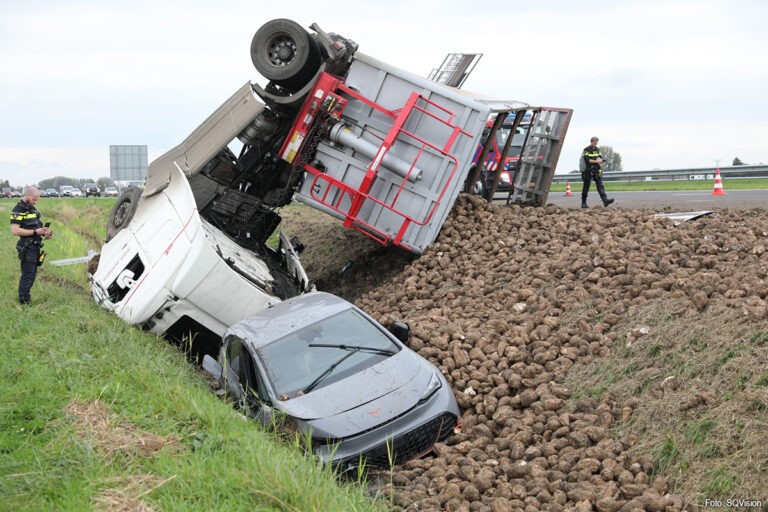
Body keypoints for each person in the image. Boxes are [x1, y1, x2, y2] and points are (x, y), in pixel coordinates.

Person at [10, 187, 53, 305]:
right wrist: (35, 232)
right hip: (26, 247)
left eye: (36, 200)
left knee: (32, 275)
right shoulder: (18, 210)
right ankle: (23, 302)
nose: (35, 202)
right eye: (34, 199)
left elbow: (36, 227)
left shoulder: (32, 210)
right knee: (27, 275)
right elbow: (15, 231)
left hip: (35, 247)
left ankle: (26, 298)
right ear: (28, 195)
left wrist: (45, 233)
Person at [581, 137, 614, 208]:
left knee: (600, 185)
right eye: (595, 142)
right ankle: (583, 202)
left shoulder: (597, 150)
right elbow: (587, 160)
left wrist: (601, 160)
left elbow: (600, 157)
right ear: (592, 142)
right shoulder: (586, 150)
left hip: (596, 170)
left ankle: (605, 200)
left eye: (597, 142)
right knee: (586, 187)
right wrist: (596, 161)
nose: (596, 144)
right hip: (588, 170)